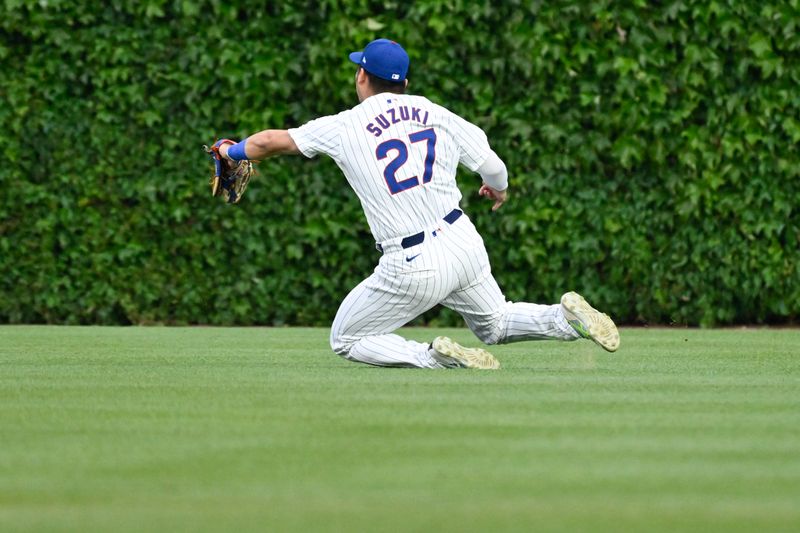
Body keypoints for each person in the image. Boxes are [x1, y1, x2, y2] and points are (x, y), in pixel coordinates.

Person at [215, 38, 620, 369]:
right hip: (463, 240)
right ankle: (563, 318)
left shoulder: (344, 126)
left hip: (412, 262)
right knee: (495, 322)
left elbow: (269, 142)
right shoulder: (438, 113)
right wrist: (499, 190)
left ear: (361, 77)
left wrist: (230, 153)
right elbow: (494, 168)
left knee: (346, 337)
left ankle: (431, 357)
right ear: (405, 84)